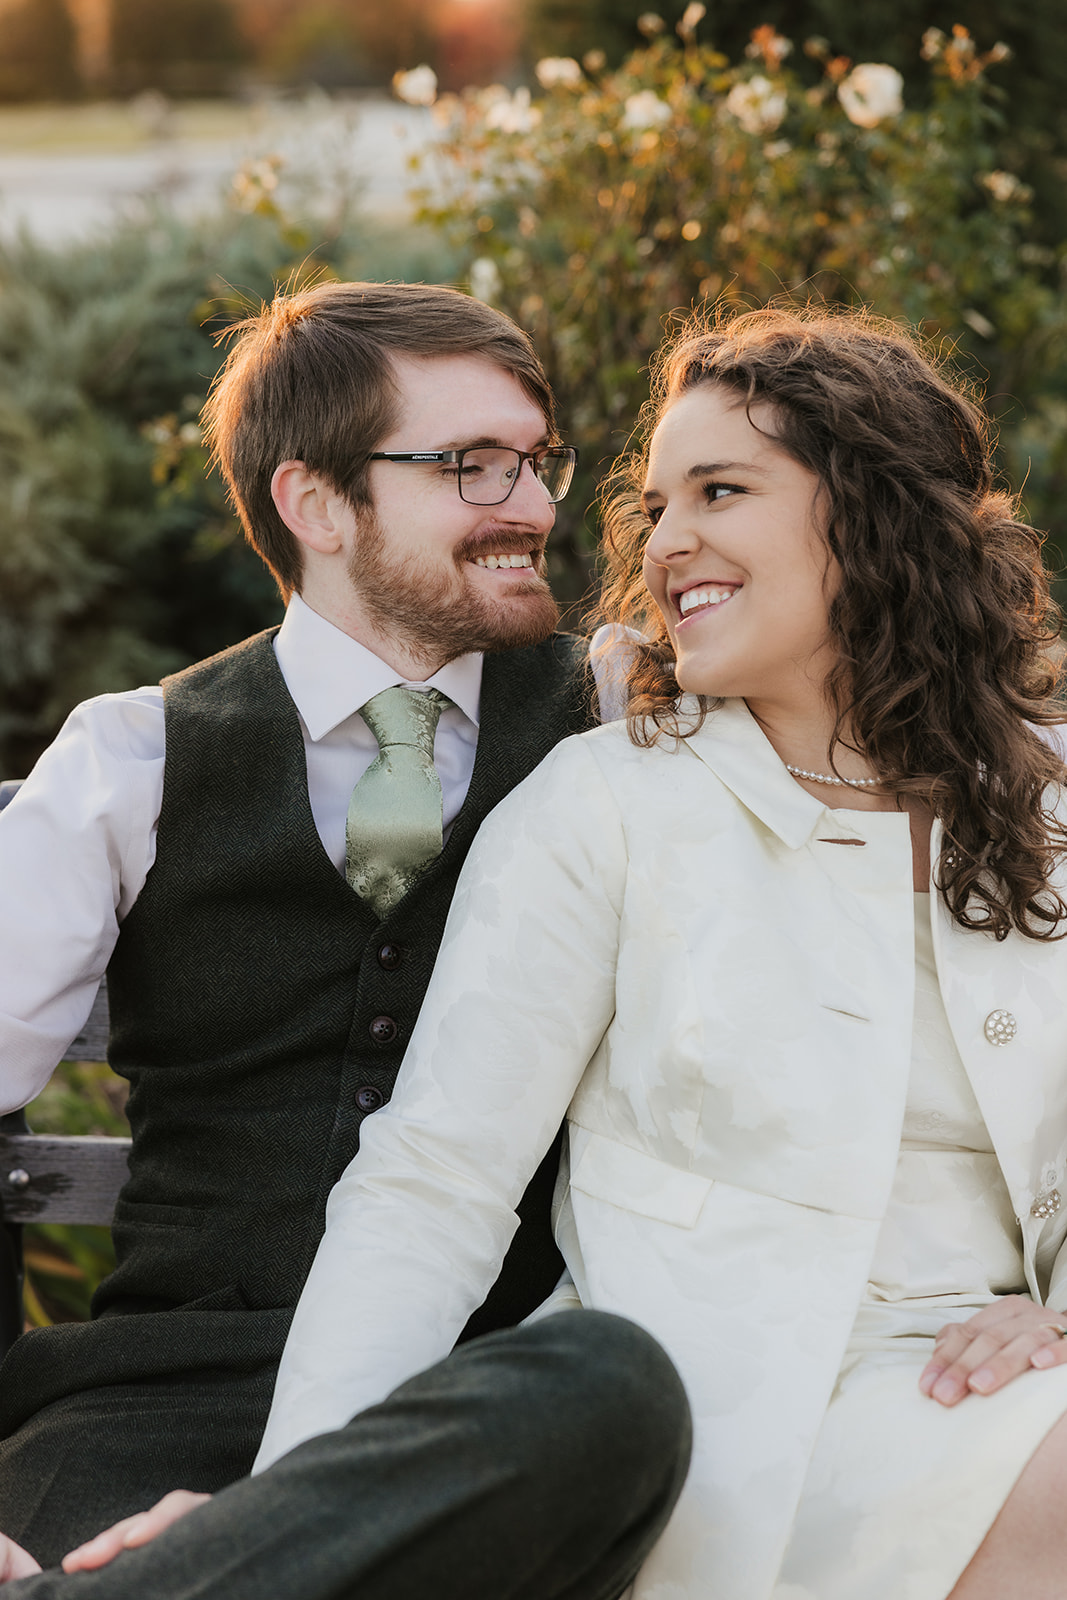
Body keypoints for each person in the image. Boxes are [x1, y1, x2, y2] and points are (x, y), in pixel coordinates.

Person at [81, 303, 1067, 1600]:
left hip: (993, 1388)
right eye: (656, 506)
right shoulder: (608, 805)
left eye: (721, 490)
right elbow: (432, 1186)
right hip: (723, 1417)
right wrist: (296, 1524)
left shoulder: (1045, 800)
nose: (667, 544)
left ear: (876, 517)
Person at [0, 280, 683, 1568]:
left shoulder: (621, 715)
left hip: (472, 1407)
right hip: (152, 1404)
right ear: (315, 503)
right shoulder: (133, 760)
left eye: (538, 462)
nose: (533, 506)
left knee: (614, 1396)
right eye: (472, 467)